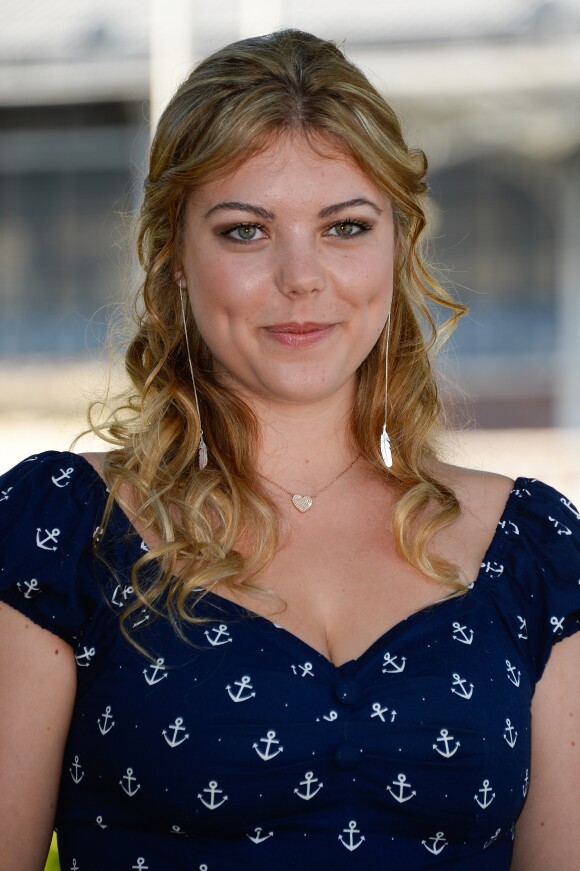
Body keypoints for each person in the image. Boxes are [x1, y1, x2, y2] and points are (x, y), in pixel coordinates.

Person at [0, 28, 578, 871]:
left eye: (345, 226)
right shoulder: (60, 533)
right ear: (175, 262)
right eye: (245, 231)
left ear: (397, 248)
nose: (301, 277)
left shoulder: (532, 548)